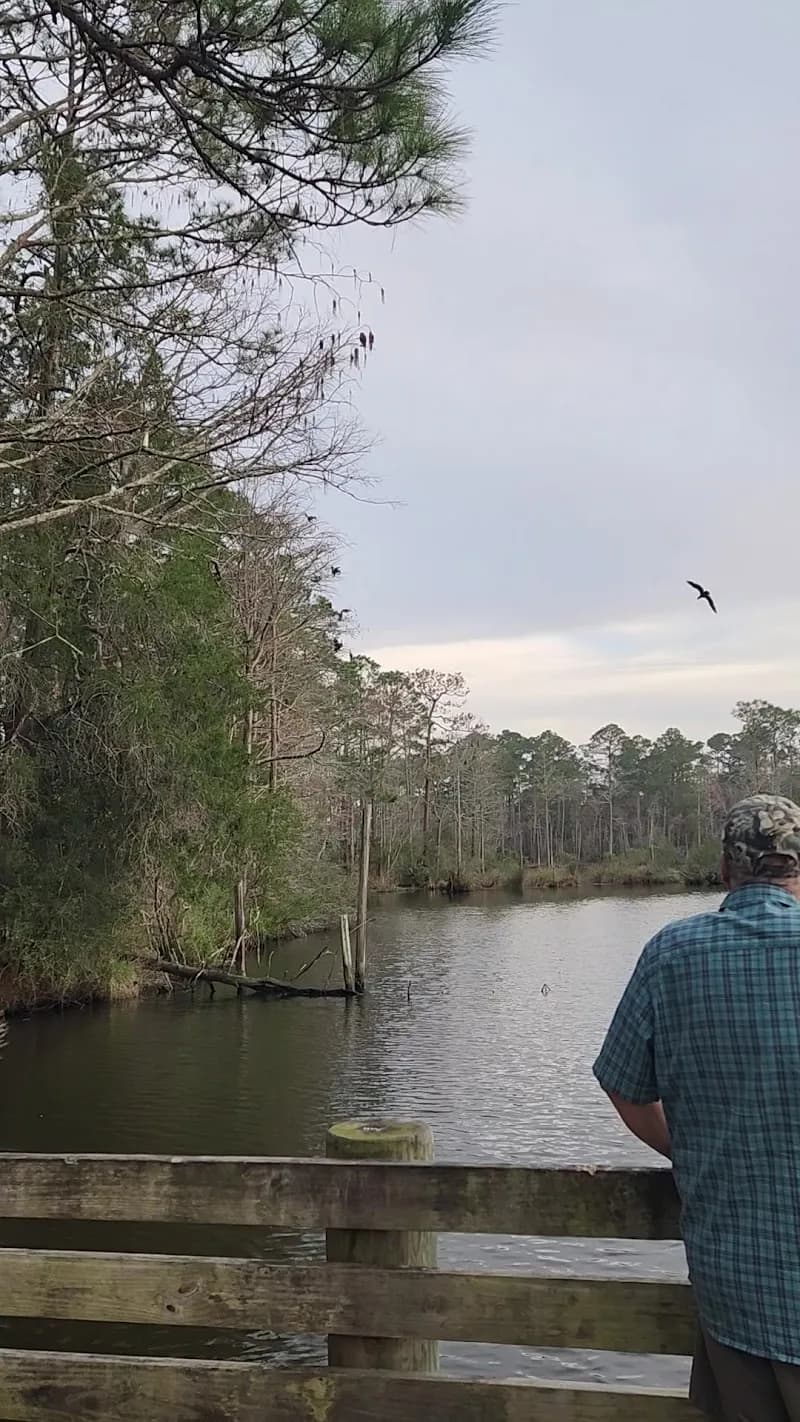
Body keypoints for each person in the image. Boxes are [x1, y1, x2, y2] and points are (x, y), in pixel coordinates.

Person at [594, 794, 800, 1422]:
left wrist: (691, 1151)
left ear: (723, 869)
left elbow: (623, 1085)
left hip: (735, 1286)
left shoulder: (672, 953)